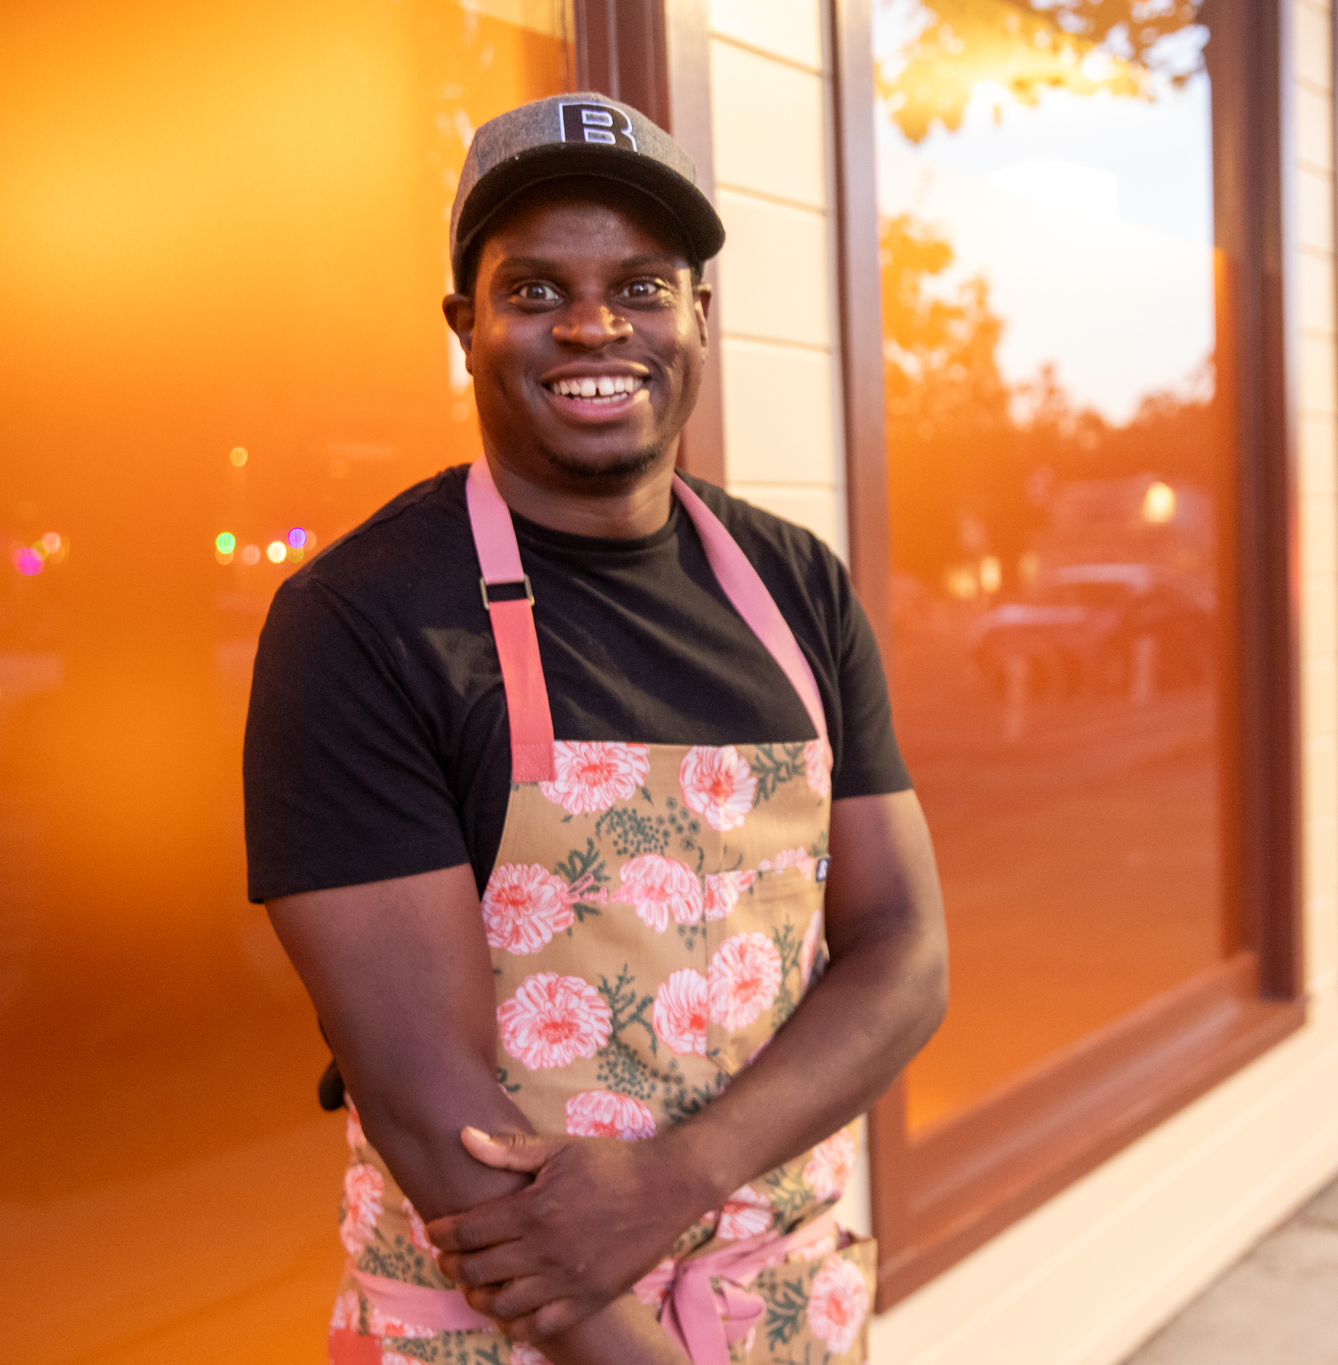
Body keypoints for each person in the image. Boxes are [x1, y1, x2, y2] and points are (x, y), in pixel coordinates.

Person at [243, 93, 948, 1365]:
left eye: (639, 285)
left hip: (779, 1311)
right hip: (503, 1329)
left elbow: (904, 951)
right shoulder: (361, 621)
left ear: (698, 320)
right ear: (464, 327)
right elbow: (422, 1105)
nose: (590, 325)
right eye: (532, 290)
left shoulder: (795, 587)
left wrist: (682, 1173)